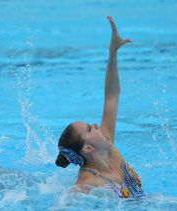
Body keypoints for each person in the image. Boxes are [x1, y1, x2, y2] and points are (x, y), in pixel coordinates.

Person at [55, 17, 143, 199]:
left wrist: (112, 53)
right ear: (87, 149)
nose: (96, 125)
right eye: (90, 129)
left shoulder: (107, 145)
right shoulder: (86, 183)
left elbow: (111, 96)